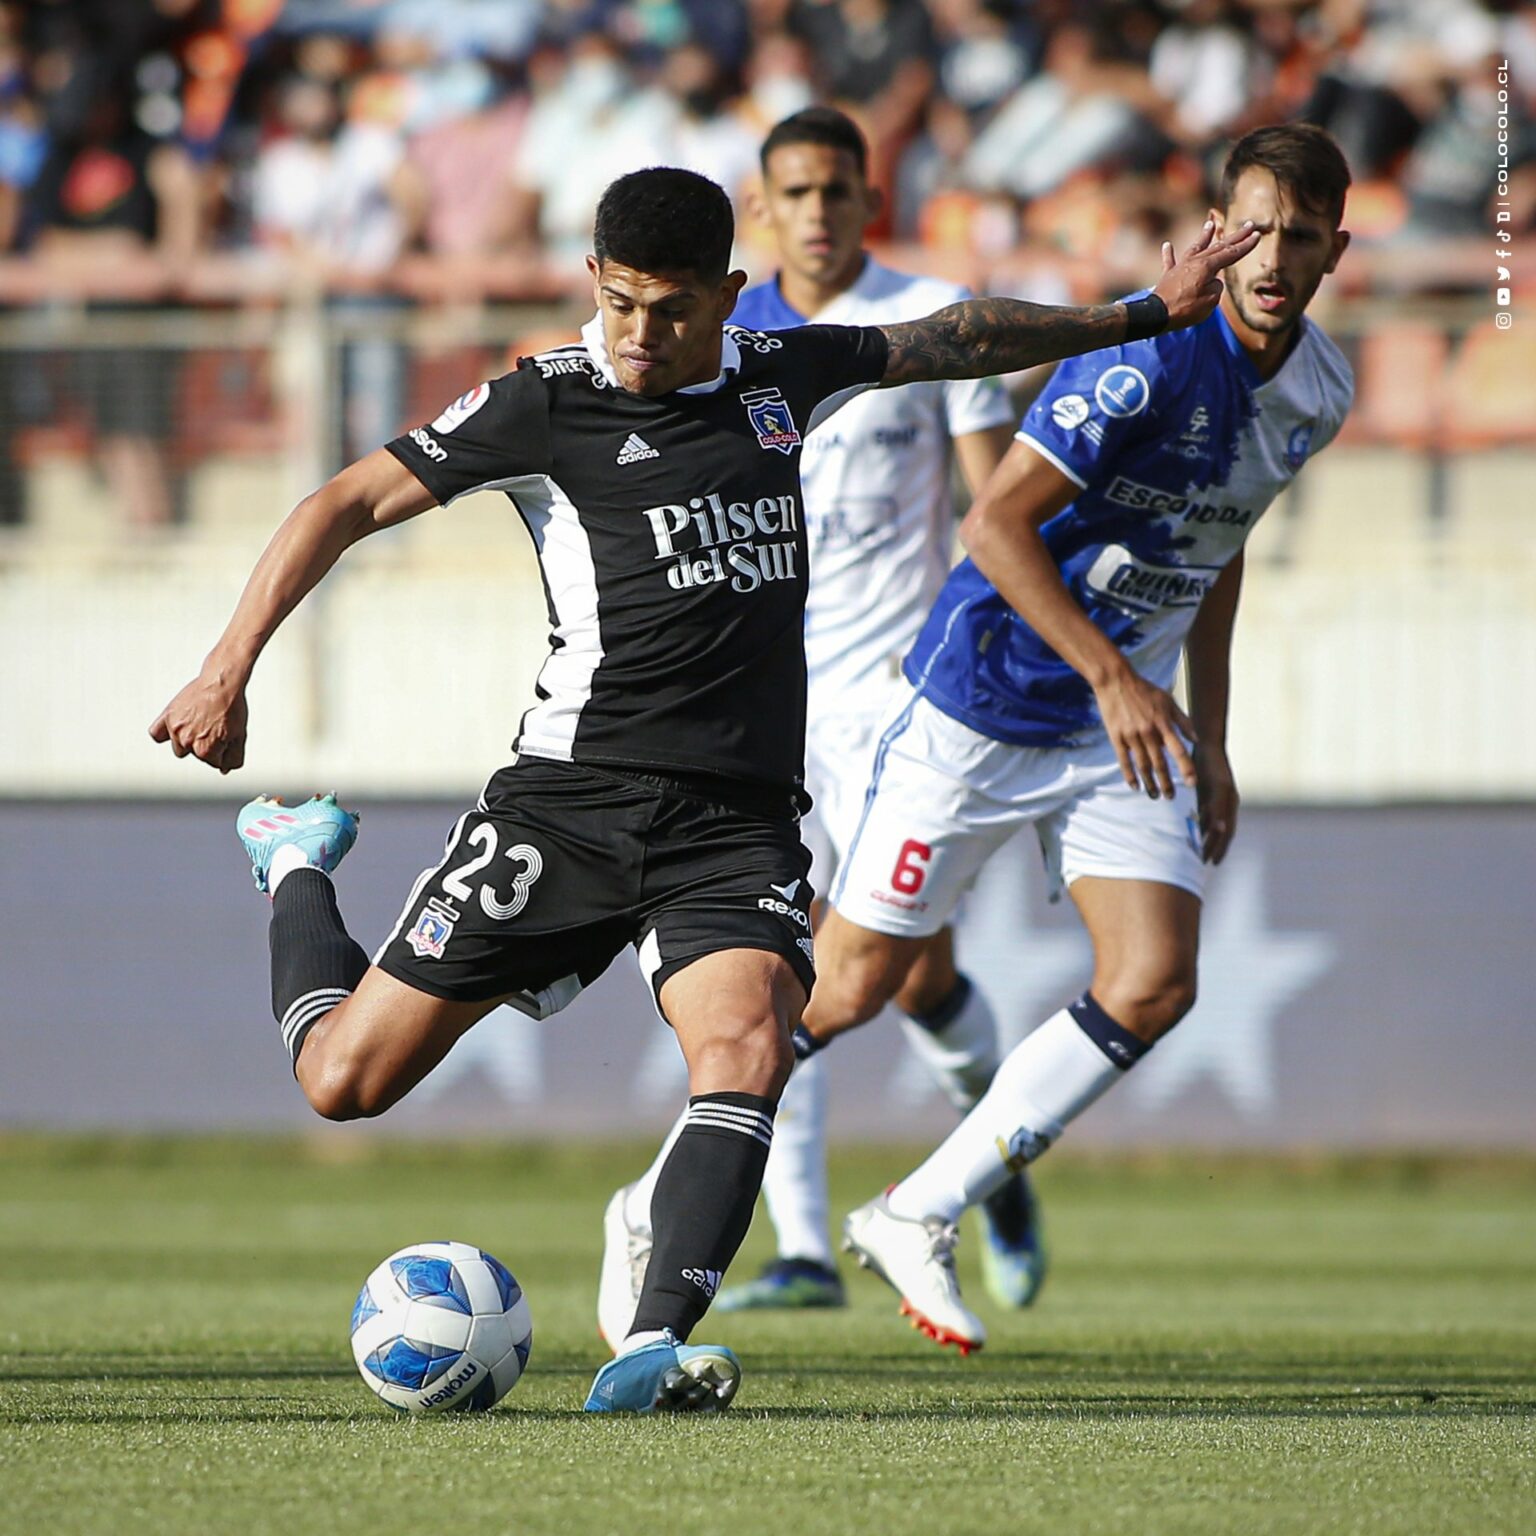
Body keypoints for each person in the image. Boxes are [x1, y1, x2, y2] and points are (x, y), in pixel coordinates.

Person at [149, 164, 1257, 1413]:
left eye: (668, 309)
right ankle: (298, 859)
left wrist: (1138, 317)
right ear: (593, 287)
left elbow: (953, 339)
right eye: (618, 302)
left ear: (730, 297)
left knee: (748, 1045)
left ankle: (650, 1346)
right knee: (342, 1085)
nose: (637, 334)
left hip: (731, 825)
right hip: (568, 804)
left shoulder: (782, 376)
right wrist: (225, 666)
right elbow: (342, 500)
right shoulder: (543, 403)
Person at [799, 123, 1353, 1353]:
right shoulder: (1142, 359)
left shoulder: (1324, 389)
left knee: (1154, 980)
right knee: (845, 990)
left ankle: (918, 1211)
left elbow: (1221, 543)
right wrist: (1108, 673)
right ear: (1221, 231)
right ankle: (658, 1203)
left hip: (1130, 717)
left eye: (1300, 238)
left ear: (1334, 253)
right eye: (1254, 230)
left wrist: (1210, 737)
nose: (1272, 259)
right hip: (986, 700)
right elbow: (992, 527)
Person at [597, 106, 1042, 1340]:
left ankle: (990, 1174)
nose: (820, 209)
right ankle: (800, 1243)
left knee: (906, 976)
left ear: (867, 195)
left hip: (900, 702)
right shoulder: (711, 340)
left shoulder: (924, 313)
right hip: (764, 712)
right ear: (767, 204)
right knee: (778, 978)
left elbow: (993, 502)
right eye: (795, 190)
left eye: (838, 188)